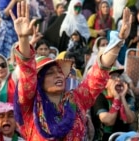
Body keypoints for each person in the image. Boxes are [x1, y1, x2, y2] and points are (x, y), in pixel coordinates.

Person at [9, 1, 132, 140]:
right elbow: (27, 72)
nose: (58, 75)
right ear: (38, 80)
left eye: (60, 72)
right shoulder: (30, 103)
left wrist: (118, 41)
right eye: (50, 72)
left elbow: (98, 74)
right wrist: (23, 39)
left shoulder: (77, 100)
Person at [90, 67, 136, 141]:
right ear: (105, 83)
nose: (118, 79)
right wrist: (117, 98)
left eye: (119, 76)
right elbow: (108, 121)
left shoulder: (127, 97)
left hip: (125, 136)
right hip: (105, 137)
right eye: (113, 77)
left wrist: (122, 98)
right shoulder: (100, 97)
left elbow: (130, 119)